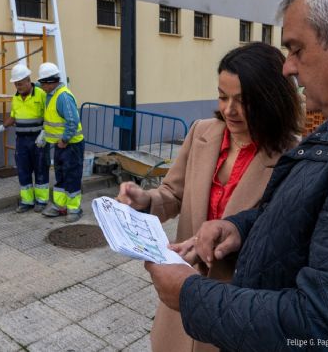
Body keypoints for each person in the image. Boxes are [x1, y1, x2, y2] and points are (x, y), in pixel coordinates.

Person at [145, 0, 328, 351]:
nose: (289, 68)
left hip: (229, 315)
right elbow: (295, 216)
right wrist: (241, 227)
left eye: (297, 49)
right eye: (222, 97)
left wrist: (190, 295)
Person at [117, 42, 302, 352]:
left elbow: (285, 240)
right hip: (182, 304)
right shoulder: (202, 132)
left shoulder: (293, 157)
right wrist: (145, 201)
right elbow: (173, 193)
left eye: (244, 101)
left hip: (236, 308)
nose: (229, 110)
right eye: (222, 96)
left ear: (272, 99)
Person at [0, 64, 49, 213]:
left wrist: (45, 132)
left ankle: (41, 201)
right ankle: (27, 201)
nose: (18, 87)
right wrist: (2, 127)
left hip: (39, 140)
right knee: (23, 170)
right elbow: (14, 117)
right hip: (22, 141)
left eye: (21, 84)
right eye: (16, 84)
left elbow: (50, 115)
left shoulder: (41, 94)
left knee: (41, 169)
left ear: (28, 80)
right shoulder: (16, 98)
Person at [36, 62, 85, 223]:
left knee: (72, 175)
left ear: (52, 82)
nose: (41, 86)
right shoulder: (51, 95)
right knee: (60, 175)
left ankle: (74, 209)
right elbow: (52, 119)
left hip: (71, 145)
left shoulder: (63, 96)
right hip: (60, 144)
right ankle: (60, 205)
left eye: (43, 83)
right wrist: (45, 134)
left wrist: (64, 140)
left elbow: (72, 121)